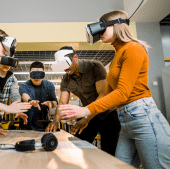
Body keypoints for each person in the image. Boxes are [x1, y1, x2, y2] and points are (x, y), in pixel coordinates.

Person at [59, 10, 170, 169]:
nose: (99, 33)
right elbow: (107, 95)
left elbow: (122, 93)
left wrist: (86, 110)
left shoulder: (133, 48)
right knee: (118, 166)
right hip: (125, 119)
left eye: (102, 27)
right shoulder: (117, 55)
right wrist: (87, 117)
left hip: (143, 117)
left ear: (118, 25)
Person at [45, 46, 121, 156]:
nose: (66, 69)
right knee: (78, 147)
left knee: (108, 152)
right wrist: (55, 122)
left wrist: (86, 117)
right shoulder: (66, 79)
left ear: (75, 57)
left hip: (107, 115)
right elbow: (62, 103)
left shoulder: (94, 67)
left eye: (67, 64)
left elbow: (103, 94)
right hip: (88, 116)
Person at [19, 61, 58, 130]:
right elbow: (24, 95)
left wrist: (51, 103)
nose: (37, 77)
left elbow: (55, 101)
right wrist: (30, 101)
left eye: (39, 74)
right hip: (27, 126)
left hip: (44, 125)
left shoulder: (49, 85)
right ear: (30, 74)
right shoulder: (24, 86)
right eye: (34, 74)